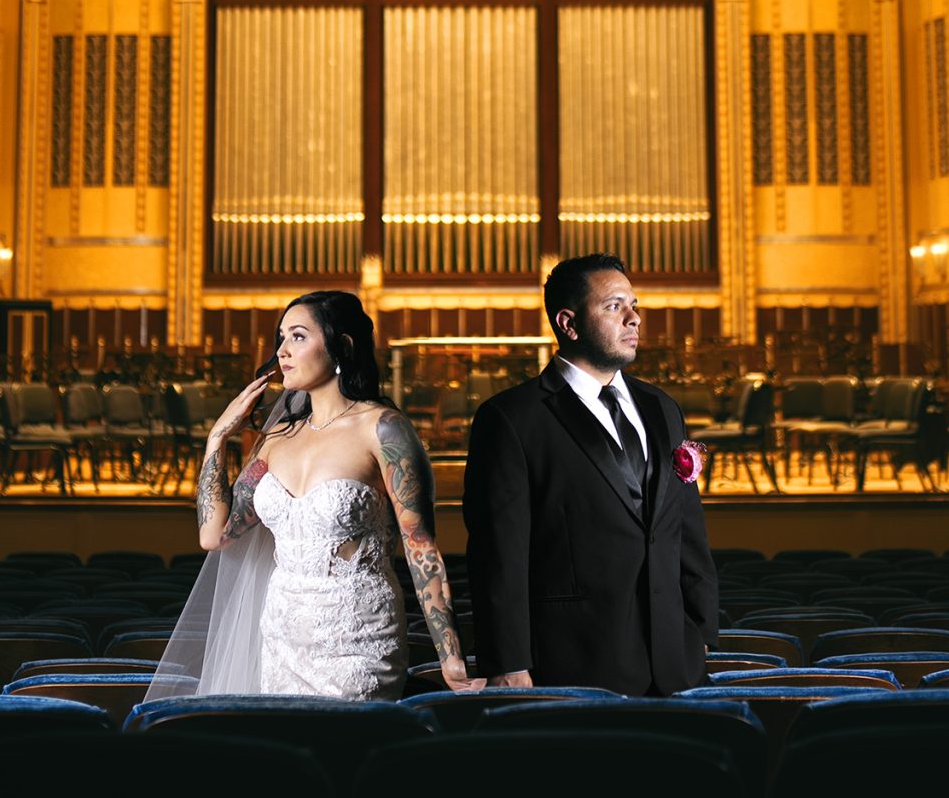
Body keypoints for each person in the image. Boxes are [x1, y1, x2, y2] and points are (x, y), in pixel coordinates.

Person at [155, 289, 480, 700]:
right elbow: (213, 535)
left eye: (298, 336)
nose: (282, 352)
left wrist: (449, 654)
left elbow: (421, 549)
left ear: (341, 345)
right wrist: (217, 438)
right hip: (281, 636)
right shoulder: (276, 438)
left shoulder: (383, 429)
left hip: (357, 635)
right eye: (281, 338)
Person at [463, 253, 719, 694]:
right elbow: (498, 554)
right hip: (573, 660)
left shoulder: (662, 408)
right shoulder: (511, 418)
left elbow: (686, 527)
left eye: (634, 305)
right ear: (569, 322)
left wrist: (702, 629)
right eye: (615, 306)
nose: (634, 318)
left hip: (676, 660)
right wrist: (508, 661)